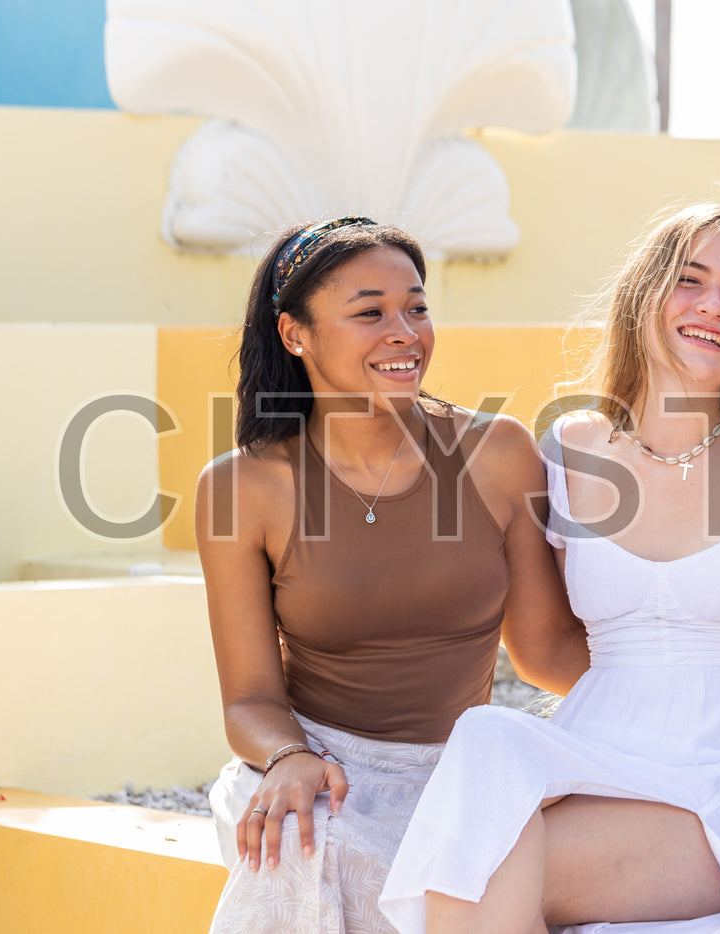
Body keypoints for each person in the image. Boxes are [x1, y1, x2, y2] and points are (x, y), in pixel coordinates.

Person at [378, 202, 720, 933]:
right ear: (644, 295)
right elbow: (545, 650)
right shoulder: (571, 448)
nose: (713, 306)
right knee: (487, 742)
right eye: (691, 279)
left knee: (479, 863)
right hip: (601, 747)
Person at [194, 216, 588, 934]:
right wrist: (287, 757)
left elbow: (546, 651)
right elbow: (249, 699)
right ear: (295, 334)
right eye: (370, 312)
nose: (404, 330)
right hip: (318, 767)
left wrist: (714, 663)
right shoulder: (240, 488)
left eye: (417, 306)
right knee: (305, 845)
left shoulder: (496, 453)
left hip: (456, 772)